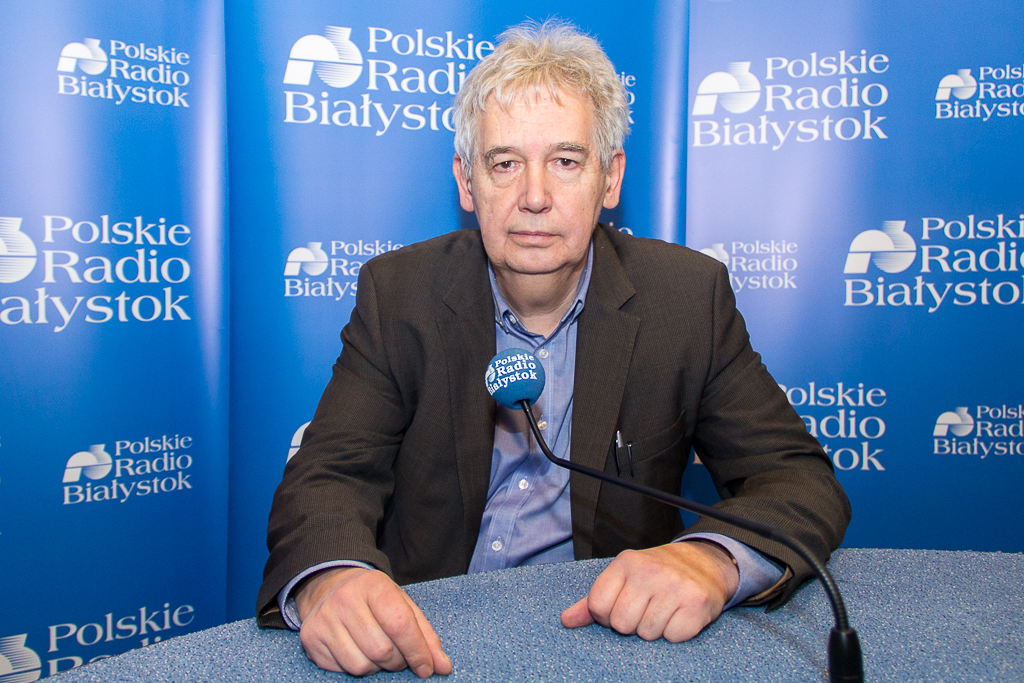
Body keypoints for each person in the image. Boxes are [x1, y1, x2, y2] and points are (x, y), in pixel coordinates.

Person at [257, 19, 850, 678]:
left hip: (613, 647)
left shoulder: (686, 300)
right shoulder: (399, 295)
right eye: (504, 163)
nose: (534, 197)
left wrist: (712, 559)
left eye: (566, 162)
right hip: (429, 640)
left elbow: (797, 478)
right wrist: (331, 578)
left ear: (609, 178)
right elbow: (329, 474)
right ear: (466, 182)